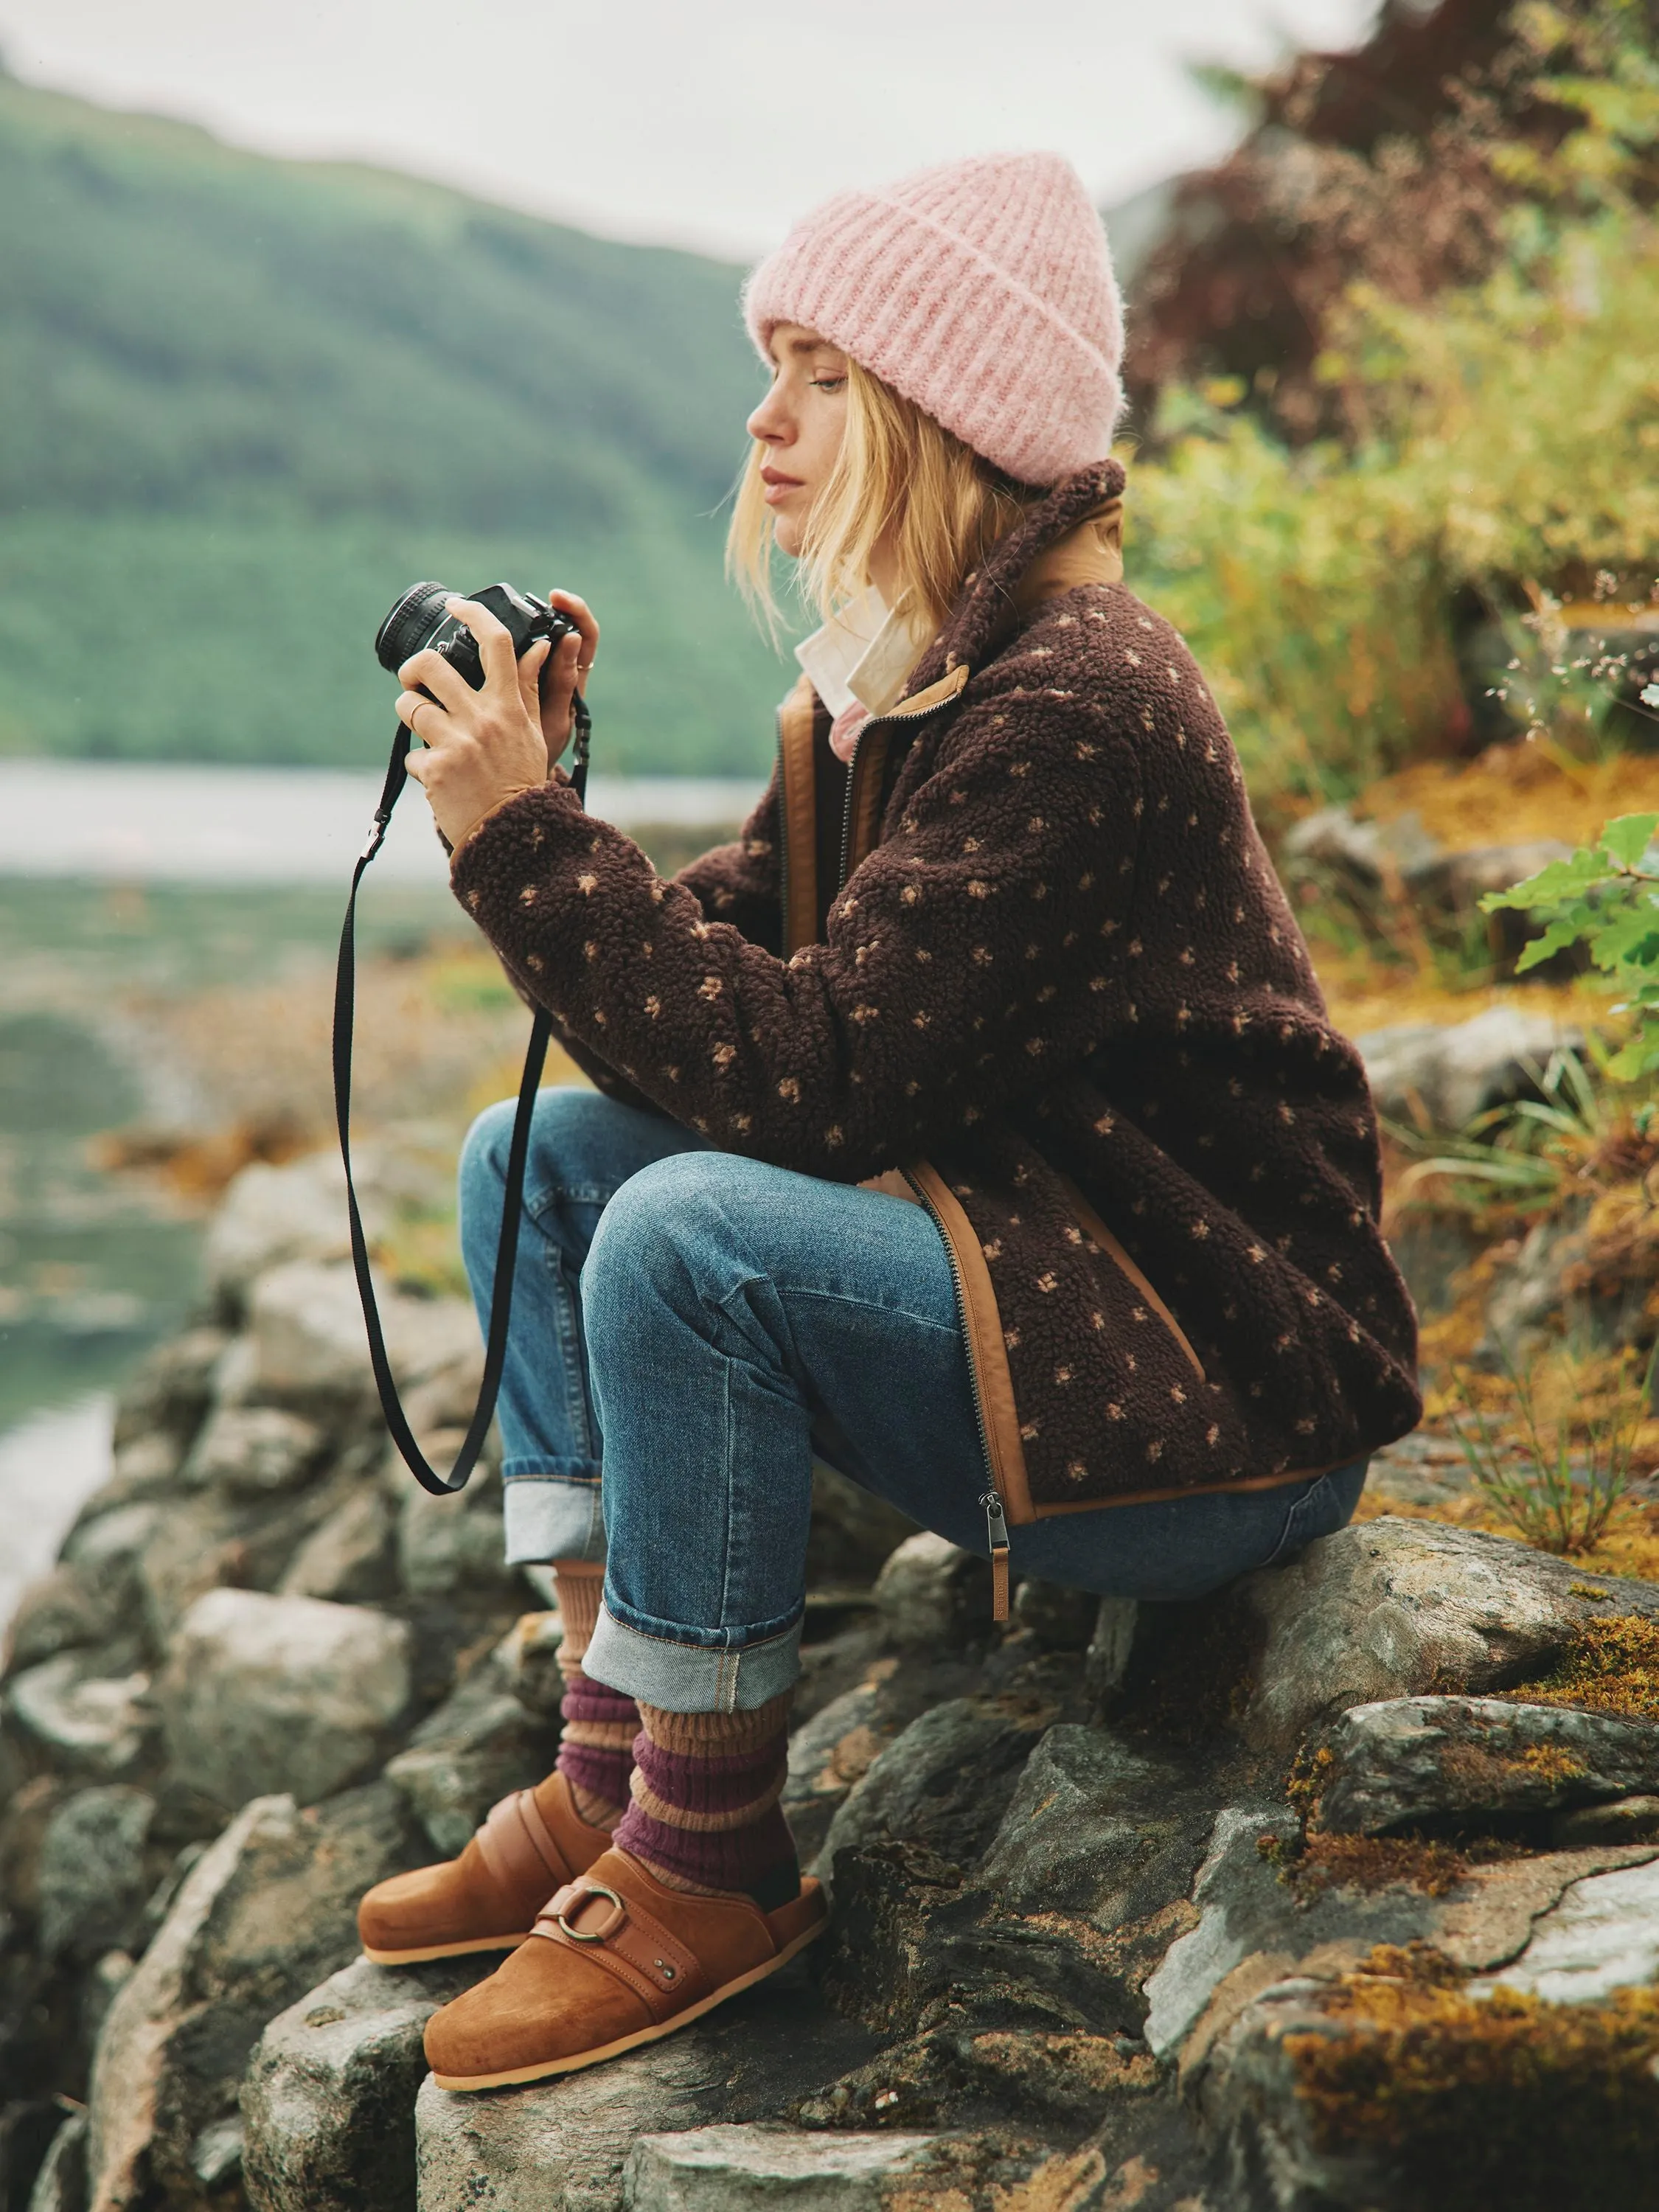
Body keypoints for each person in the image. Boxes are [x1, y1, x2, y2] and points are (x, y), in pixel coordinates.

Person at [355, 150, 1421, 2090]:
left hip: (1215, 1392)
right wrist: (551, 806)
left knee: (692, 1234)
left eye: (822, 374)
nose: (763, 419)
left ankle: (710, 1860)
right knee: (541, 1168)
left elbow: (807, 1090)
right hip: (1052, 1302)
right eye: (771, 362)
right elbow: (689, 1038)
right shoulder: (899, 694)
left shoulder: (1075, 701)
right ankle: (615, 1763)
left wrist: (523, 839)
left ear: (943, 414)